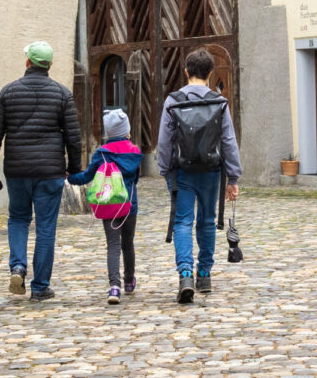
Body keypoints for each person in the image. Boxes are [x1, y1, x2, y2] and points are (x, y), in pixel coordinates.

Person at [0, 40, 81, 302]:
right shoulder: (62, 94)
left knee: (18, 218)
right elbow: (74, 136)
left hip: (17, 169)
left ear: (27, 62)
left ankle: (17, 266)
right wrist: (74, 169)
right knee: (46, 227)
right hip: (50, 171)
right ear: (49, 64)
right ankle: (40, 287)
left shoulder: (8, 92)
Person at [157, 48, 241, 304]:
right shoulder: (219, 102)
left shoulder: (173, 101)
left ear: (186, 71)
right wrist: (233, 177)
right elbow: (228, 141)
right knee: (206, 221)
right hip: (211, 171)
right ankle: (204, 274)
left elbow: (164, 141)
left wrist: (165, 169)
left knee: (182, 222)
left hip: (182, 171)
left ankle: (185, 274)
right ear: (210, 73)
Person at [67, 109, 142, 304]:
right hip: (129, 204)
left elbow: (87, 176)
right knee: (128, 244)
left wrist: (70, 177)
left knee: (113, 245)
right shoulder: (134, 152)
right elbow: (136, 179)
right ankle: (128, 281)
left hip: (108, 203)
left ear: (108, 133)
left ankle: (114, 287)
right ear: (126, 131)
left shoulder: (102, 153)